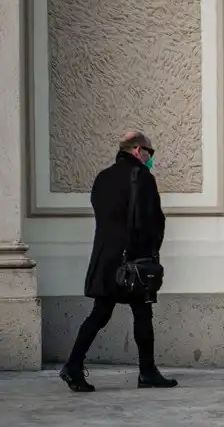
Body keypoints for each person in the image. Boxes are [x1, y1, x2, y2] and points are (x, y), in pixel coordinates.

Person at [59, 131, 177, 392]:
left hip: (105, 258)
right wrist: (151, 254)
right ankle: (147, 371)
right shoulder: (142, 177)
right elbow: (152, 220)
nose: (150, 157)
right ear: (137, 150)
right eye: (149, 152)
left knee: (100, 313)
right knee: (142, 312)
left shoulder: (102, 178)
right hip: (133, 260)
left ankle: (74, 365)